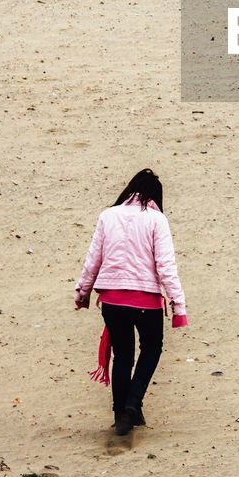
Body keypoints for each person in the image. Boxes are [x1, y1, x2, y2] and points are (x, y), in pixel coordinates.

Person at [75, 169, 188, 435]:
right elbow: (165, 266)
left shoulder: (108, 215)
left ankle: (120, 415)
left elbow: (94, 259)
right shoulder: (157, 220)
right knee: (151, 347)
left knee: (123, 356)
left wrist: (83, 292)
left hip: (112, 300)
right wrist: (178, 305)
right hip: (145, 300)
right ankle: (132, 405)